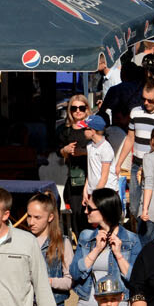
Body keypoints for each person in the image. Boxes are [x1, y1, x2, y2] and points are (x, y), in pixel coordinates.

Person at [112, 78, 154, 222]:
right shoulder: (136, 112)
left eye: (150, 100)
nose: (146, 103)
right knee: (135, 207)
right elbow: (130, 139)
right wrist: (119, 163)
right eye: (144, 99)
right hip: (137, 165)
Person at [54, 99, 92, 234]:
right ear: (69, 110)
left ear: (87, 109)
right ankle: (81, 245)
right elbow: (58, 151)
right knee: (77, 213)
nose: (77, 111)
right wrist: (65, 150)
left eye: (81, 108)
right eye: (74, 108)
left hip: (92, 175)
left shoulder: (92, 128)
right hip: (74, 176)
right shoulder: (65, 131)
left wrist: (83, 152)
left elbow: (103, 148)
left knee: (92, 212)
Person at [82, 113, 115, 194]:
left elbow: (104, 177)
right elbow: (91, 170)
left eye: (84, 129)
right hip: (94, 191)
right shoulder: (89, 146)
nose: (83, 131)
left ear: (92, 131)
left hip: (105, 192)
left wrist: (94, 196)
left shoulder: (106, 148)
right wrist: (86, 190)